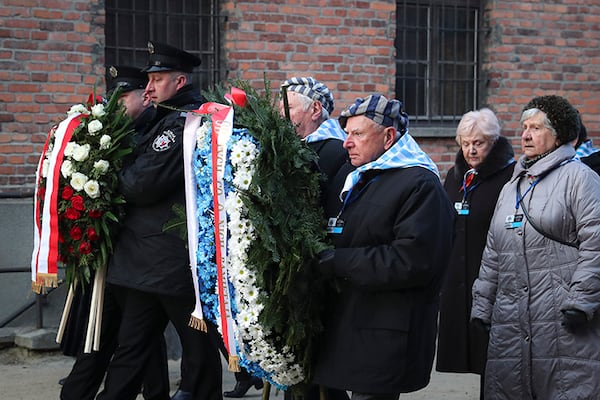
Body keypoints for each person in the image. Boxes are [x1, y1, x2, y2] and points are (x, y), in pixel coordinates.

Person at [97, 42, 222, 400]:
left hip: (169, 265)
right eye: (148, 79)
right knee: (134, 350)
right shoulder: (164, 117)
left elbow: (140, 184)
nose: (148, 87)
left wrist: (110, 173)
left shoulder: (184, 121)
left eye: (158, 78)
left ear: (180, 81)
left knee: (194, 356)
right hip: (150, 264)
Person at [312, 94, 455, 400]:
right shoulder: (363, 176)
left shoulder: (419, 184)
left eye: (357, 134)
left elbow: (411, 261)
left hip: (388, 333)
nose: (346, 143)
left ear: (389, 136)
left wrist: (336, 261)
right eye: (347, 134)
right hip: (355, 324)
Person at [471, 95, 600, 399]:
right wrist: (482, 306)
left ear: (560, 135)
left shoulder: (581, 179)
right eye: (524, 127)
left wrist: (581, 301)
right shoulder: (511, 187)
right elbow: (493, 252)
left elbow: (596, 243)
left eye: (536, 128)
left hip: (562, 320)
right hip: (510, 320)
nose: (525, 135)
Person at [60, 64, 169, 400]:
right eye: (114, 97)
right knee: (117, 338)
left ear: (145, 99)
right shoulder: (108, 135)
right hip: (112, 255)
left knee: (136, 339)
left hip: (142, 256)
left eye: (125, 97)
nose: (116, 105)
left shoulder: (151, 133)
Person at [278, 76, 351, 400]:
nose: (282, 114)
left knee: (321, 366)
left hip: (318, 268)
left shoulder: (334, 150)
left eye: (289, 107)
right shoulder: (293, 146)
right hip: (294, 266)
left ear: (316, 109)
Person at [435, 108, 515, 399]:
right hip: (458, 277)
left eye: (478, 143)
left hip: (493, 275)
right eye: (465, 143)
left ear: (493, 142)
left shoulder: (510, 176)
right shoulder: (456, 176)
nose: (470, 149)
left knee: (492, 356)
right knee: (467, 348)